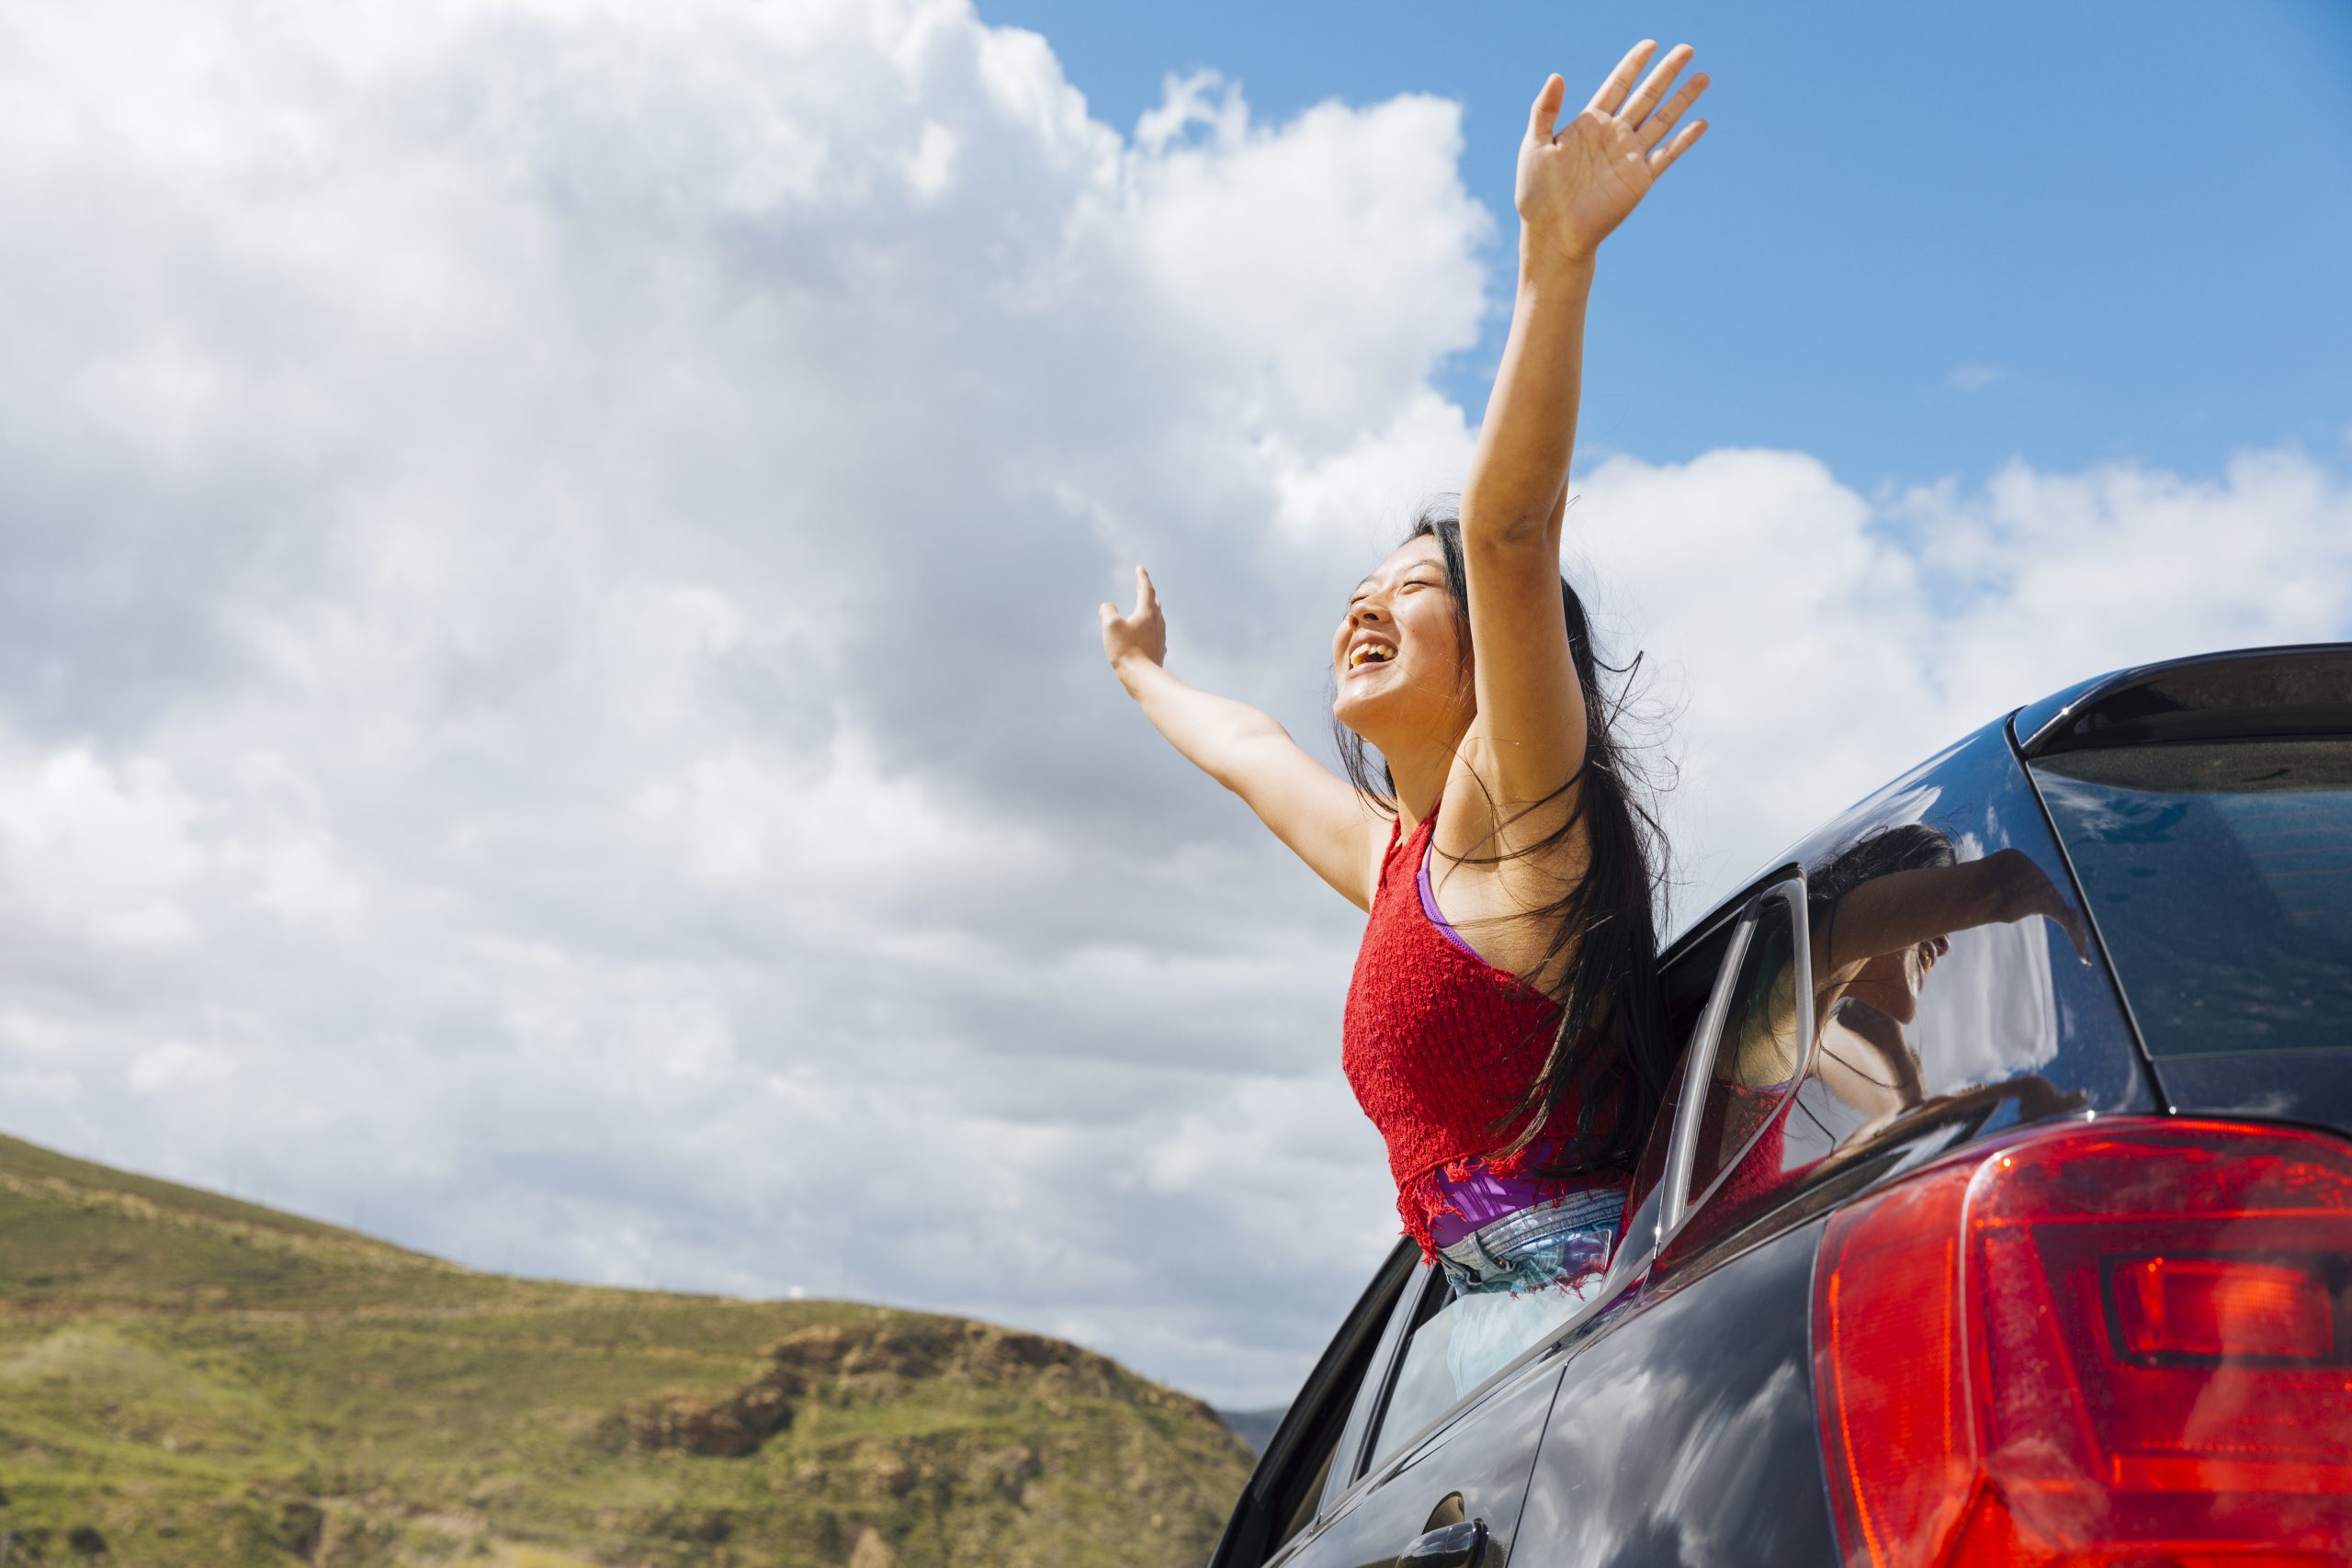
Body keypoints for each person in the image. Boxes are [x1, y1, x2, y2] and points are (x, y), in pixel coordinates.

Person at [1099, 42, 1712, 1336]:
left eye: (1406, 590)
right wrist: (1142, 673)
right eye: (1356, 593)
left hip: (1586, 1322)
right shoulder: (1402, 863)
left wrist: (1557, 263)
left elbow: (1506, 535)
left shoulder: (1521, 803)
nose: (1365, 605)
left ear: (1494, 651)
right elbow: (1252, 751)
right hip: (1503, 1336)